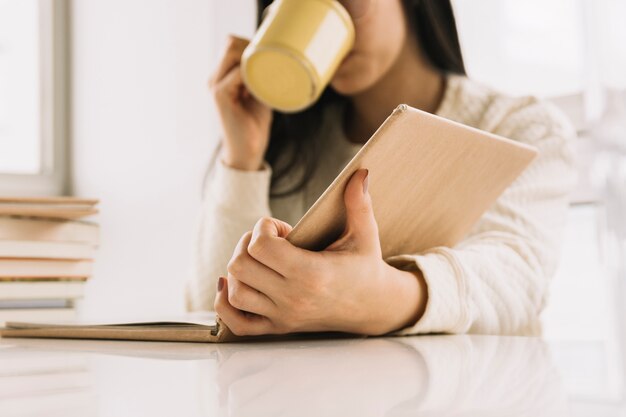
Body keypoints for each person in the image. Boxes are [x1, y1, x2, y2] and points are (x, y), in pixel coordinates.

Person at [186, 0, 578, 337]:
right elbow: (210, 314)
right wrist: (243, 157)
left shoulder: (522, 128)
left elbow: (516, 277)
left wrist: (383, 297)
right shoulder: (288, 149)